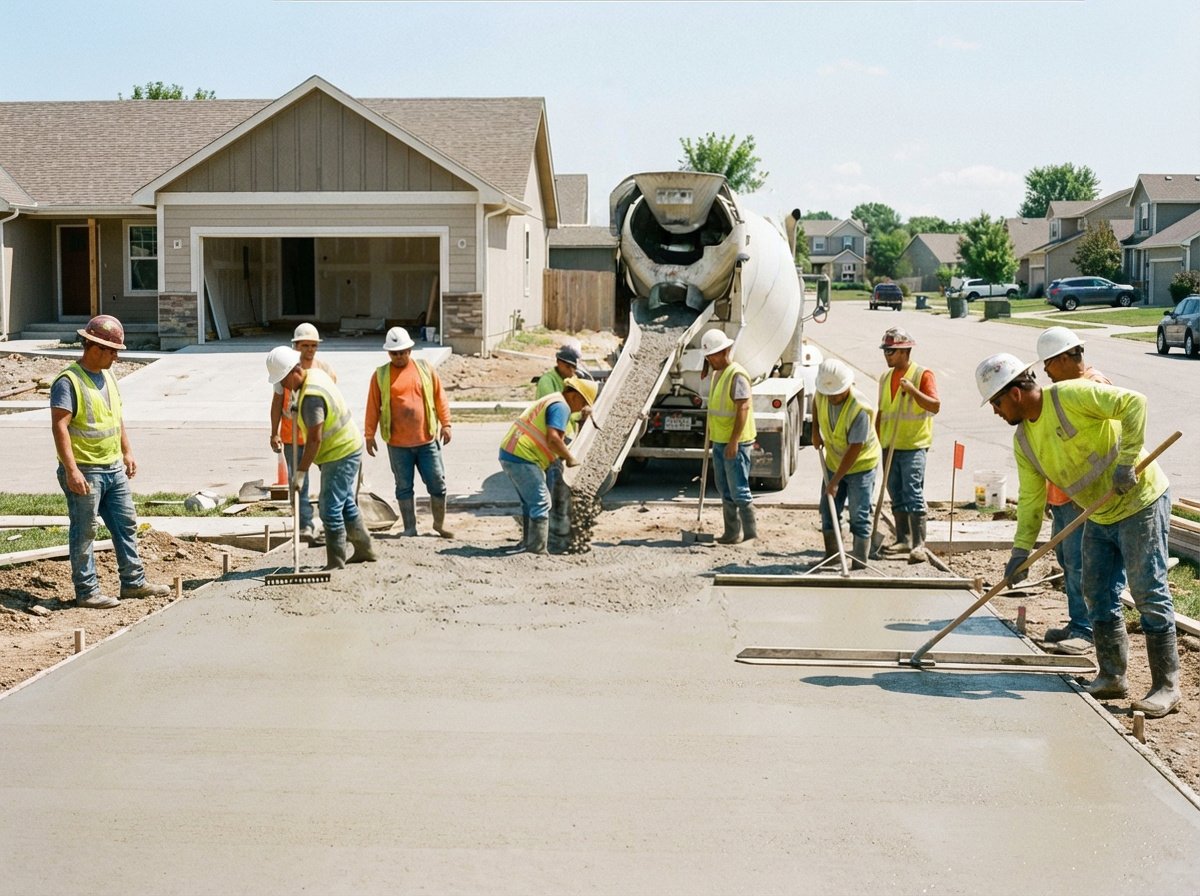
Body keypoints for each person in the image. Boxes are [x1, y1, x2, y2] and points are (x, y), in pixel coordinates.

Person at [977, 352, 1181, 718]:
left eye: (996, 402)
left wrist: (1126, 461)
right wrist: (1021, 551)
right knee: (1096, 592)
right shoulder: (1025, 441)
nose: (995, 411)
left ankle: (1166, 687)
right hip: (1098, 512)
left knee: (1147, 589)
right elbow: (1031, 498)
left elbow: (1135, 402)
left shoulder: (1070, 395)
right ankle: (1112, 676)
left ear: (1015, 393)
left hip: (1140, 501)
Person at [49, 315, 169, 609]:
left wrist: (127, 451)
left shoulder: (109, 376)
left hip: (113, 467)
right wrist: (72, 470)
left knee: (126, 524)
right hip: (85, 470)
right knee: (85, 531)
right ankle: (87, 592)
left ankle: (133, 582)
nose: (116, 357)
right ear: (94, 347)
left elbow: (116, 418)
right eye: (112, 351)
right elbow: (60, 427)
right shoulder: (68, 382)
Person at [1034, 326, 1122, 655]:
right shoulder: (1062, 391)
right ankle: (1077, 622)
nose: (1045, 371)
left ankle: (1086, 630)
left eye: (1048, 363)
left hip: (1082, 497)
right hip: (1063, 495)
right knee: (1068, 561)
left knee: (1082, 564)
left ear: (1065, 358)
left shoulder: (1094, 386)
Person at [266, 346, 376, 570]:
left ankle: (336, 561)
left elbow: (314, 439)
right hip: (346, 446)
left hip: (340, 452)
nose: (284, 387)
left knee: (329, 507)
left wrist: (300, 472)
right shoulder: (314, 375)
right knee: (345, 502)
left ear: (293, 372)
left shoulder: (311, 398)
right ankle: (365, 549)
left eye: (283, 381)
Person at [365, 326, 454, 538]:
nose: (399, 357)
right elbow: (373, 406)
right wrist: (369, 435)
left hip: (426, 441)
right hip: (398, 444)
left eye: (402, 352)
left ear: (410, 350)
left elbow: (439, 397)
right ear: (388, 353)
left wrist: (446, 424)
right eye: (394, 353)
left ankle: (439, 524)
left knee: (437, 482)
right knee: (404, 487)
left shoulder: (425, 369)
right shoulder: (381, 375)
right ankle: (410, 528)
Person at [498, 376, 598, 554]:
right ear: (574, 396)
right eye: (583, 403)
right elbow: (553, 439)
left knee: (530, 503)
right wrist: (569, 457)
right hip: (522, 456)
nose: (581, 407)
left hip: (513, 453)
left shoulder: (555, 400)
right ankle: (537, 549)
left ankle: (527, 544)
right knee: (541, 502)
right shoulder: (561, 407)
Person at [874, 327, 940, 563]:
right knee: (895, 492)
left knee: (913, 492)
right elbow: (882, 411)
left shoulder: (922, 375)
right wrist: (878, 439)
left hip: (913, 445)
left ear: (904, 351)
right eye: (885, 350)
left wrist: (912, 391)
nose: (887, 355)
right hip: (889, 445)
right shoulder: (885, 378)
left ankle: (918, 544)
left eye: (891, 351)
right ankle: (903, 539)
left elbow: (934, 406)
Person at [811, 357, 881, 569]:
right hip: (834, 461)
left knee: (859, 514)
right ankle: (833, 555)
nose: (832, 398)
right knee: (828, 509)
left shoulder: (859, 409)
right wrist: (815, 431)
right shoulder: (823, 393)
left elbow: (854, 449)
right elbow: (816, 403)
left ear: (847, 386)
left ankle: (859, 561)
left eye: (837, 393)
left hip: (861, 465)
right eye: (829, 394)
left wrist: (835, 481)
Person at [269, 323, 336, 543]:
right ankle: (305, 526)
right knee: (298, 484)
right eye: (304, 345)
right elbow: (277, 403)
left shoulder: (324, 370)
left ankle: (332, 525)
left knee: (330, 482)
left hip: (320, 437)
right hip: (293, 438)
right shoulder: (284, 370)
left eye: (313, 345)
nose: (309, 350)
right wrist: (274, 432)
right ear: (295, 346)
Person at [701, 329, 757, 544]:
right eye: (707, 356)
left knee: (739, 490)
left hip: (736, 443)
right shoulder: (718, 373)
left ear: (725, 351)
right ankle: (732, 533)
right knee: (724, 489)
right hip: (720, 440)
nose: (710, 359)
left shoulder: (737, 375)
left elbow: (743, 408)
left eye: (713, 355)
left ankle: (750, 535)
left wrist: (734, 442)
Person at [536, 342, 592, 552]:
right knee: (553, 484)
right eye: (569, 367)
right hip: (553, 440)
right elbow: (555, 413)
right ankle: (551, 534)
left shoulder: (570, 380)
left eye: (574, 368)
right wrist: (578, 415)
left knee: (562, 485)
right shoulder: (547, 382)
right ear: (559, 363)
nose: (572, 372)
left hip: (565, 437)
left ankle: (561, 530)